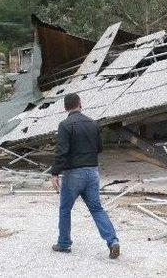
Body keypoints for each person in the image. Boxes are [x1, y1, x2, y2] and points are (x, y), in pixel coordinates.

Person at [50, 93, 120, 259]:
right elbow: (100, 148)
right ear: (80, 104)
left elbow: (61, 152)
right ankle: (113, 241)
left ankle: (64, 243)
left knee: (65, 209)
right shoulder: (93, 124)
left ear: (66, 108)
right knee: (96, 208)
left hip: (74, 174)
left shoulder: (65, 125)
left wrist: (55, 172)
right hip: (92, 172)